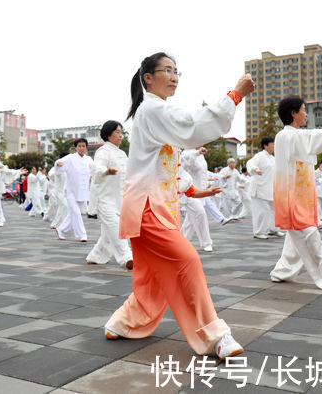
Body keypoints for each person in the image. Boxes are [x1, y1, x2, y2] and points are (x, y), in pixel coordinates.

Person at [105, 52, 255, 359]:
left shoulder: (156, 112)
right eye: (167, 70)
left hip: (157, 206)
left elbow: (167, 161)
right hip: (147, 207)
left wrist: (191, 190)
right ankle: (215, 335)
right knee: (187, 260)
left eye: (177, 71)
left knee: (152, 276)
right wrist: (235, 95)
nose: (174, 76)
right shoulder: (152, 108)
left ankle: (123, 322)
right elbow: (191, 127)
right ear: (148, 77)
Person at [269, 96, 322, 293]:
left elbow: (307, 138)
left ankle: (282, 271)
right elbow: (307, 138)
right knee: (310, 234)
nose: (306, 114)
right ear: (293, 113)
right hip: (290, 196)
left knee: (295, 238)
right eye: (303, 110)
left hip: (302, 195)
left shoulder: (297, 136)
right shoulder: (285, 136)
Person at [85, 120, 133, 269]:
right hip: (104, 199)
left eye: (121, 132)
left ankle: (96, 255)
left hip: (119, 198)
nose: (120, 135)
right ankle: (127, 257)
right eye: (117, 132)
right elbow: (96, 167)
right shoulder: (103, 151)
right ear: (108, 134)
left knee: (108, 232)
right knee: (116, 226)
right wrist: (106, 171)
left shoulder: (122, 153)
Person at [56, 138, 93, 241]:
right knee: (76, 213)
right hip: (71, 191)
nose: (81, 148)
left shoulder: (89, 159)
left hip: (83, 191)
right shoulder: (70, 158)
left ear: (86, 147)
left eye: (83, 146)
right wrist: (58, 164)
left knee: (73, 214)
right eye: (79, 146)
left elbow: (94, 170)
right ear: (75, 147)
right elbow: (59, 163)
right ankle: (82, 234)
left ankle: (61, 229)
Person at [247, 137, 283, 239]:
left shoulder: (273, 158)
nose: (274, 147)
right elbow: (250, 163)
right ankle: (258, 232)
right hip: (259, 189)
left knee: (274, 210)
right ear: (265, 146)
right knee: (262, 211)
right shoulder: (259, 156)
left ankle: (273, 229)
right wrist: (255, 169)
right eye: (272, 144)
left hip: (270, 189)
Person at [49, 152, 69, 230]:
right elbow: (50, 174)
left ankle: (55, 224)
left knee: (62, 208)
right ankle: (64, 225)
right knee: (65, 206)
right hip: (59, 191)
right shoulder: (56, 166)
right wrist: (57, 166)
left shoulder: (68, 167)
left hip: (66, 191)